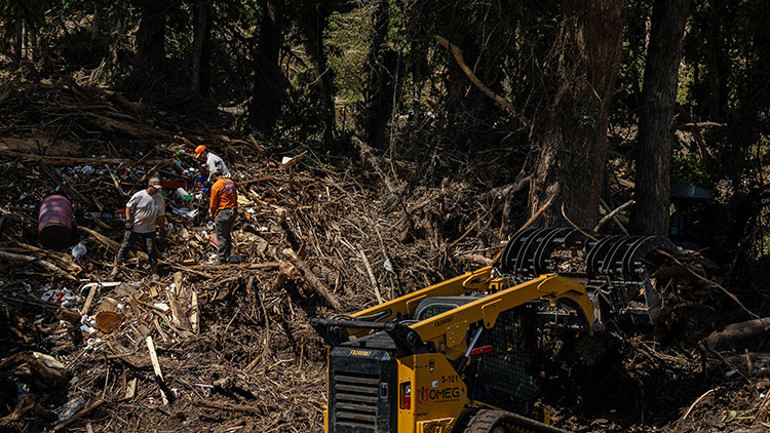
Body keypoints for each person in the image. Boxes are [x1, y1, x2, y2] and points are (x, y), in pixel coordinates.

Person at [112, 178, 166, 277]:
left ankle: (154, 271)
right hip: (135, 227)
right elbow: (128, 207)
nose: (157, 190)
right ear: (150, 186)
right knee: (126, 246)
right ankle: (117, 266)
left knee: (150, 249)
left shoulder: (159, 199)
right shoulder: (139, 195)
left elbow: (161, 215)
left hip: (150, 229)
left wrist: (162, 228)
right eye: (155, 188)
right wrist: (128, 221)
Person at [209, 170, 238, 264]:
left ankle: (221, 259)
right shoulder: (230, 182)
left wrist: (213, 214)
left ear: (214, 176)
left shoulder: (216, 186)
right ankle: (228, 256)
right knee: (227, 233)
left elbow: (213, 203)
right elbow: (235, 196)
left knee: (221, 235)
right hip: (233, 210)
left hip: (223, 211)